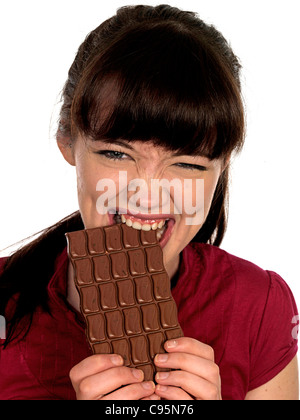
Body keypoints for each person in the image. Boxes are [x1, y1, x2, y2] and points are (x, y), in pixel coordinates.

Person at [0, 4, 298, 400]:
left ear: (221, 169)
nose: (148, 192)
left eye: (187, 163)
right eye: (117, 154)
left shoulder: (257, 307)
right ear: (69, 144)